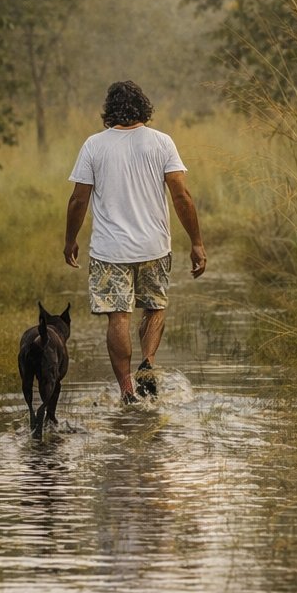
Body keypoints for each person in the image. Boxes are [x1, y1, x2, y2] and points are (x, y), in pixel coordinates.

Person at [64, 80, 206, 404]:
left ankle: (127, 391)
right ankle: (149, 364)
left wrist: (70, 239)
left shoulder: (94, 146)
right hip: (154, 246)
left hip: (110, 251)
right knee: (155, 308)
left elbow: (77, 200)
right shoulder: (162, 143)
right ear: (144, 107)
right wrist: (196, 241)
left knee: (119, 316)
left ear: (109, 110)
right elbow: (181, 195)